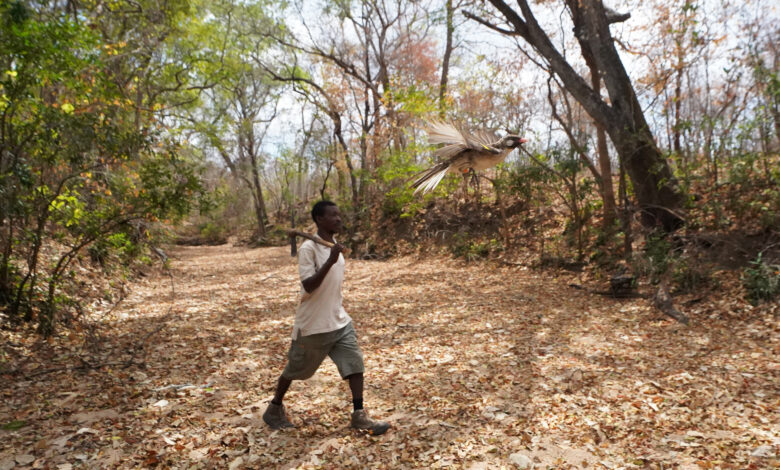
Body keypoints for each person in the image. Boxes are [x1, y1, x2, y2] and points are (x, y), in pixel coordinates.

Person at [262, 200, 390, 435]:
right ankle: (274, 407)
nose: (339, 219)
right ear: (320, 219)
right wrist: (330, 259)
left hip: (339, 320)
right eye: (333, 215)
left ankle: (359, 415)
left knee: (355, 364)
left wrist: (333, 256)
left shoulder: (334, 245)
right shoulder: (308, 249)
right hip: (312, 325)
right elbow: (309, 285)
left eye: (339, 214)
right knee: (294, 369)